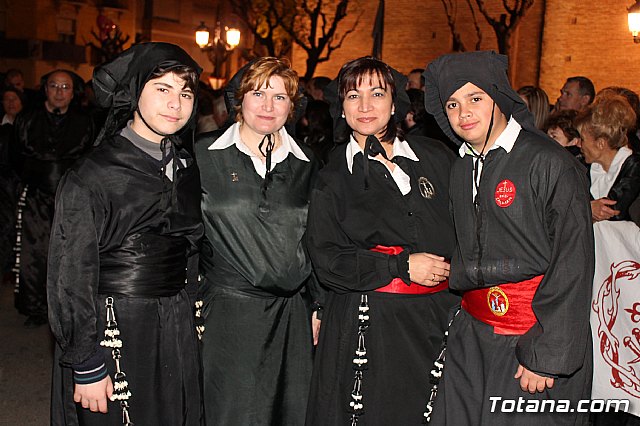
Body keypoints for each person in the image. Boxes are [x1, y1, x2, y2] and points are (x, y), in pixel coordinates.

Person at [423, 50, 594, 425]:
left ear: (498, 96)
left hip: (530, 345)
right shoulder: (461, 167)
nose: (463, 112)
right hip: (472, 339)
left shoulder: (550, 164)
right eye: (452, 103)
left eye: (475, 98)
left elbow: (573, 264)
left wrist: (547, 356)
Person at [47, 42, 203, 425]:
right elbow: (70, 274)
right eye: (162, 89)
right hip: (115, 326)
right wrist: (85, 361)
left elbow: (193, 247)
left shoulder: (186, 166)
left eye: (184, 93)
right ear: (134, 93)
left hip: (175, 325)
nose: (175, 104)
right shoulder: (93, 174)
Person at [305, 56, 459, 426]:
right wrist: (400, 266)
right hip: (369, 324)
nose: (365, 106)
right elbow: (326, 260)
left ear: (395, 103)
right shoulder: (332, 175)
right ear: (340, 108)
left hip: (436, 320)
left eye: (377, 93)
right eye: (353, 96)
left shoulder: (437, 158)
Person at [196, 57, 322, 426]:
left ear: (293, 107)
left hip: (291, 316)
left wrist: (319, 303)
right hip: (227, 314)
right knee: (229, 413)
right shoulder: (202, 154)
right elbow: (181, 235)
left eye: (280, 97)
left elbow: (316, 237)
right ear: (239, 99)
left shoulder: (308, 163)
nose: (268, 106)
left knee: (290, 411)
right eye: (258, 93)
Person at [12, 69, 94, 327]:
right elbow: (14, 158)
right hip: (35, 196)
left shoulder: (85, 122)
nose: (59, 91)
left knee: (70, 252)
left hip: (71, 198)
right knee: (34, 251)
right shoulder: (27, 120)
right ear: (45, 89)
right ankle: (36, 306)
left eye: (65, 87)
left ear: (74, 92)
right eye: (54, 86)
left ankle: (67, 305)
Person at [574, 92, 640, 223]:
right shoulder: (581, 165)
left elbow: (612, 211)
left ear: (600, 143)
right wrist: (589, 209)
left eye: (582, 139)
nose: (577, 143)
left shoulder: (634, 166)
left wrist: (584, 209)